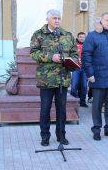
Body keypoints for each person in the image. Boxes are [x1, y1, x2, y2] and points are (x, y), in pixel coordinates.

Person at [30, 9, 79, 146]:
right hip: (46, 80)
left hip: (62, 79)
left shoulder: (67, 35)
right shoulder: (39, 35)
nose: (57, 21)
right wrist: (51, 57)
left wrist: (71, 61)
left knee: (61, 110)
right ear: (48, 20)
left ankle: (61, 136)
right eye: (54, 18)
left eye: (59, 18)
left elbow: (75, 54)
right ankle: (45, 136)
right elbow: (33, 53)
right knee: (45, 109)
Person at [82, 12, 108, 141]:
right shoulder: (93, 36)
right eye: (107, 20)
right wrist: (90, 74)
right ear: (101, 21)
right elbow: (86, 55)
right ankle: (96, 130)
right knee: (97, 106)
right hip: (98, 77)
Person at [70, 32, 88, 107]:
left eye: (83, 37)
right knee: (74, 85)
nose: (82, 38)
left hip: (85, 68)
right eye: (80, 37)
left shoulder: (88, 45)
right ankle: (72, 102)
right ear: (77, 37)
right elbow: (70, 54)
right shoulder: (73, 45)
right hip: (76, 68)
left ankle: (82, 102)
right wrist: (76, 59)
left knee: (84, 86)